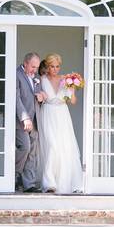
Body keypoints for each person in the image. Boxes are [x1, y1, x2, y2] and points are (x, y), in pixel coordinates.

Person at [39, 53, 85, 194]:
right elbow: (36, 95)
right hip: (47, 113)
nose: (55, 69)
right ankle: (49, 183)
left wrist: (72, 90)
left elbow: (73, 101)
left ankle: (65, 181)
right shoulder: (41, 79)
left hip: (62, 114)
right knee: (51, 146)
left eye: (57, 66)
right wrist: (40, 95)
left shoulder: (66, 80)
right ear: (47, 66)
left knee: (64, 147)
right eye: (52, 66)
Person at [15, 52, 45, 192]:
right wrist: (24, 117)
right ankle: (13, 174)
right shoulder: (16, 75)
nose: (35, 70)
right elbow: (17, 98)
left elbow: (38, 95)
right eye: (33, 67)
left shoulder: (36, 78)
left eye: (36, 67)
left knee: (32, 153)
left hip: (35, 120)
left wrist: (41, 96)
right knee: (25, 147)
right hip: (21, 120)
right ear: (25, 63)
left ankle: (29, 185)